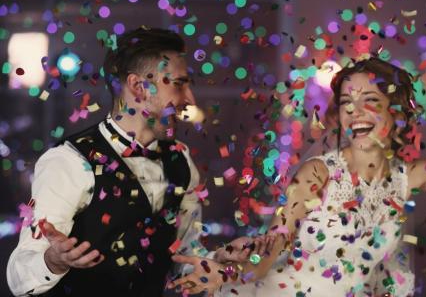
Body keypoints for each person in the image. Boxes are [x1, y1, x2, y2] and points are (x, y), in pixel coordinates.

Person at [169, 57, 426, 297]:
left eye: (369, 100)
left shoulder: (407, 175)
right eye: (347, 102)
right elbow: (272, 248)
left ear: (395, 111)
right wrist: (229, 274)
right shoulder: (317, 173)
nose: (354, 112)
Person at [6, 27, 268, 297]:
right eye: (179, 84)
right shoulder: (68, 162)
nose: (189, 99)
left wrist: (217, 259)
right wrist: (53, 260)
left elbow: (185, 255)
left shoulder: (181, 160)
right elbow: (18, 276)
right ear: (138, 86)